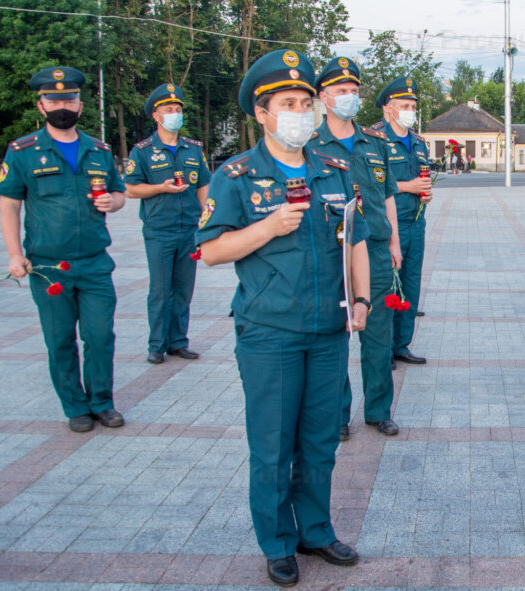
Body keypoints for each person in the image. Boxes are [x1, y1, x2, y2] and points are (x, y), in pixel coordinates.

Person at [196, 49, 371, 586]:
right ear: (262, 114)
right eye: (286, 104)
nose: (299, 111)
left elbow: (356, 241)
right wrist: (267, 228)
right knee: (273, 445)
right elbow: (211, 249)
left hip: (328, 331)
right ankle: (277, 541)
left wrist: (361, 300)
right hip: (269, 332)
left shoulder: (335, 169)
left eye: (304, 101)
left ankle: (315, 531)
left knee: (319, 443)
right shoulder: (237, 174)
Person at [0, 67, 127, 433]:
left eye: (68, 99)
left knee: (100, 337)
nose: (62, 105)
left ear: (80, 104)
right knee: (60, 341)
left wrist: (113, 204)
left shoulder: (98, 150)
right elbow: (9, 204)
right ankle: (75, 406)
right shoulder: (23, 151)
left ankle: (102, 402)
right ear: (41, 106)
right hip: (49, 266)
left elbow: (119, 193)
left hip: (95, 264)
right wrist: (13, 254)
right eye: (54, 100)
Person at [309, 58, 402, 439]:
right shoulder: (311, 146)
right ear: (324, 96)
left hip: (376, 251)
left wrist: (395, 240)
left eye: (354, 90)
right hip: (332, 255)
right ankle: (338, 414)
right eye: (341, 90)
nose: (349, 97)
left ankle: (378, 410)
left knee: (378, 337)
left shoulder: (376, 143)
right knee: (335, 339)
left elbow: (389, 195)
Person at [124, 83, 211, 364]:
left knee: (184, 289)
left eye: (177, 109)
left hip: (188, 229)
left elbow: (204, 187)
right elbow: (130, 188)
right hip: (159, 230)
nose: (174, 114)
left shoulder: (193, 149)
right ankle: (156, 344)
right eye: (168, 110)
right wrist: (159, 188)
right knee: (161, 290)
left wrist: (208, 221)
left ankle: (178, 341)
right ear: (156, 115)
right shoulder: (143, 151)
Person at [368, 76, 433, 373]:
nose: (410, 111)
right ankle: (384, 348)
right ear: (388, 109)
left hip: (416, 222)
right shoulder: (374, 139)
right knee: (386, 286)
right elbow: (375, 186)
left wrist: (425, 193)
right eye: (404, 106)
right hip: (387, 226)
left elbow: (422, 179)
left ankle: (401, 345)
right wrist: (409, 187)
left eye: (412, 106)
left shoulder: (419, 142)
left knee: (410, 283)